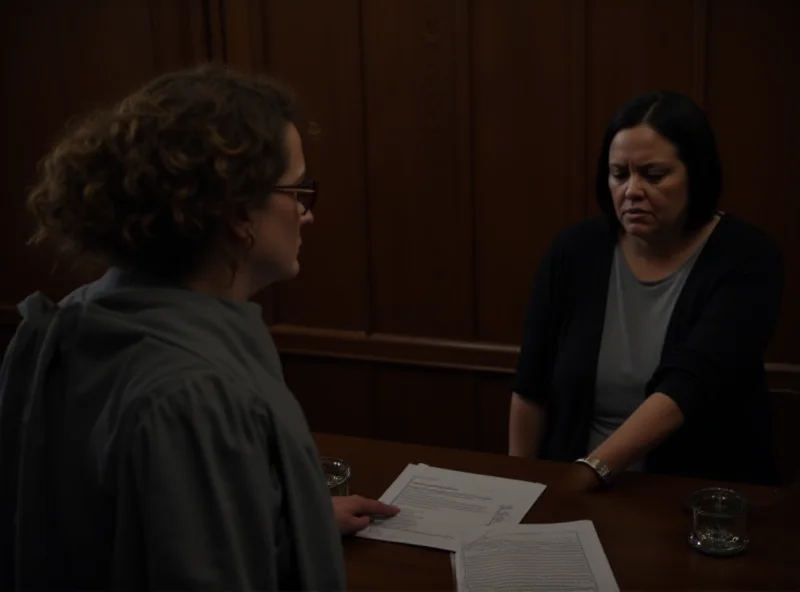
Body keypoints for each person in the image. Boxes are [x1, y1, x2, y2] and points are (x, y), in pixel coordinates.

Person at [0, 64, 398, 591]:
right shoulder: (193, 394)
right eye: (298, 189)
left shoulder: (80, 317)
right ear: (238, 213)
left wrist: (295, 520)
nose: (307, 214)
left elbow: (129, 528)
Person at [508, 90, 783, 489]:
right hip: (571, 489)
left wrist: (589, 472)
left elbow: (689, 385)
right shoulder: (575, 250)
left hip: (693, 494)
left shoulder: (748, 257)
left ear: (697, 174)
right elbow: (530, 387)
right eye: (619, 174)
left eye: (653, 175)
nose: (632, 190)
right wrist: (520, 484)